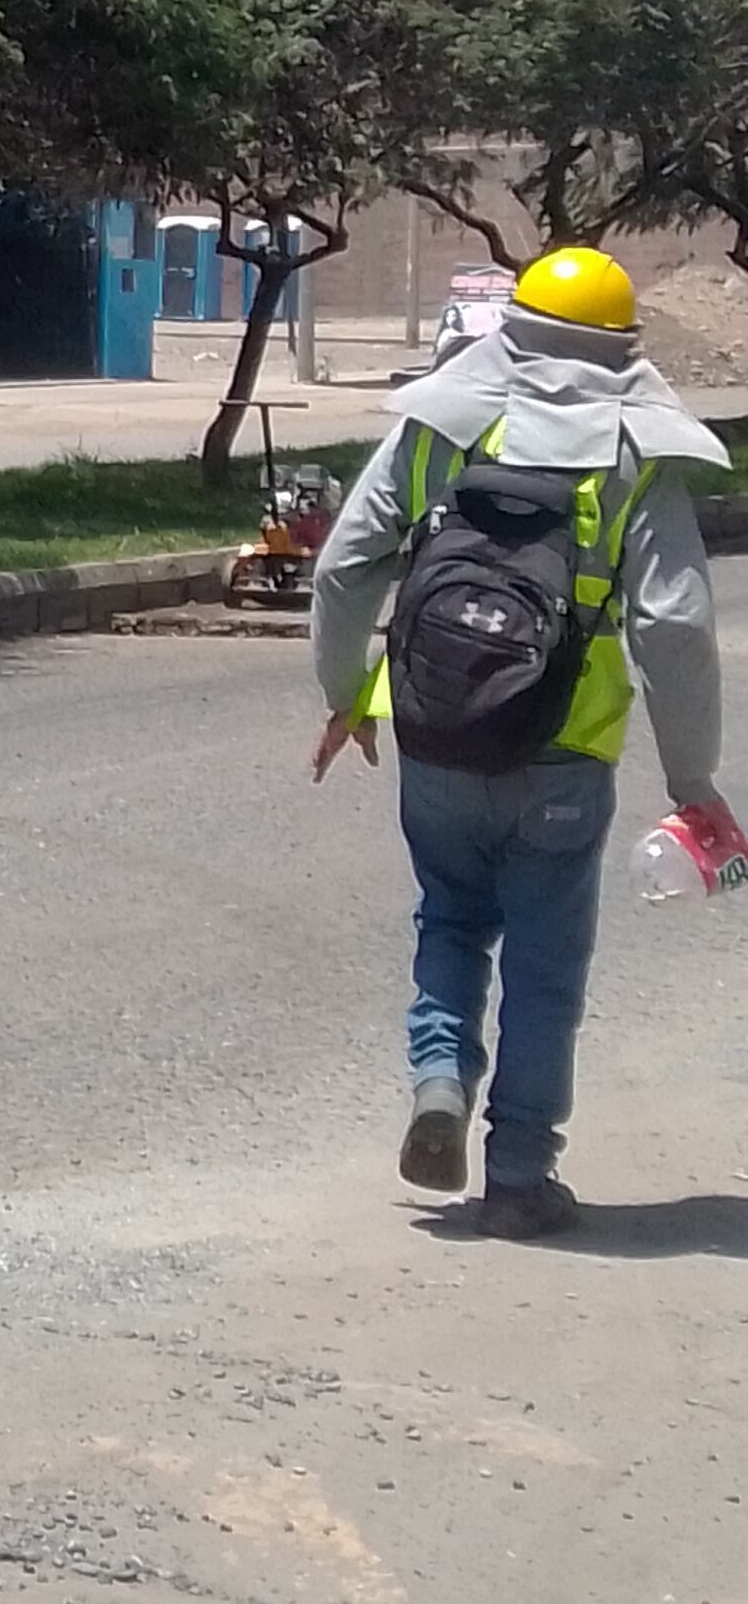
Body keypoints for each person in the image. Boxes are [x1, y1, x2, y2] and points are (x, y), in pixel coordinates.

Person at [309, 245, 731, 1237]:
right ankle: (517, 1177)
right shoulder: (633, 457)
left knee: (448, 922)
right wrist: (690, 780)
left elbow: (341, 570)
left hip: (434, 733)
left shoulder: (443, 429)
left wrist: (346, 697)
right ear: (623, 347)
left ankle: (437, 1078)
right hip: (564, 757)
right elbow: (671, 628)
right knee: (544, 966)